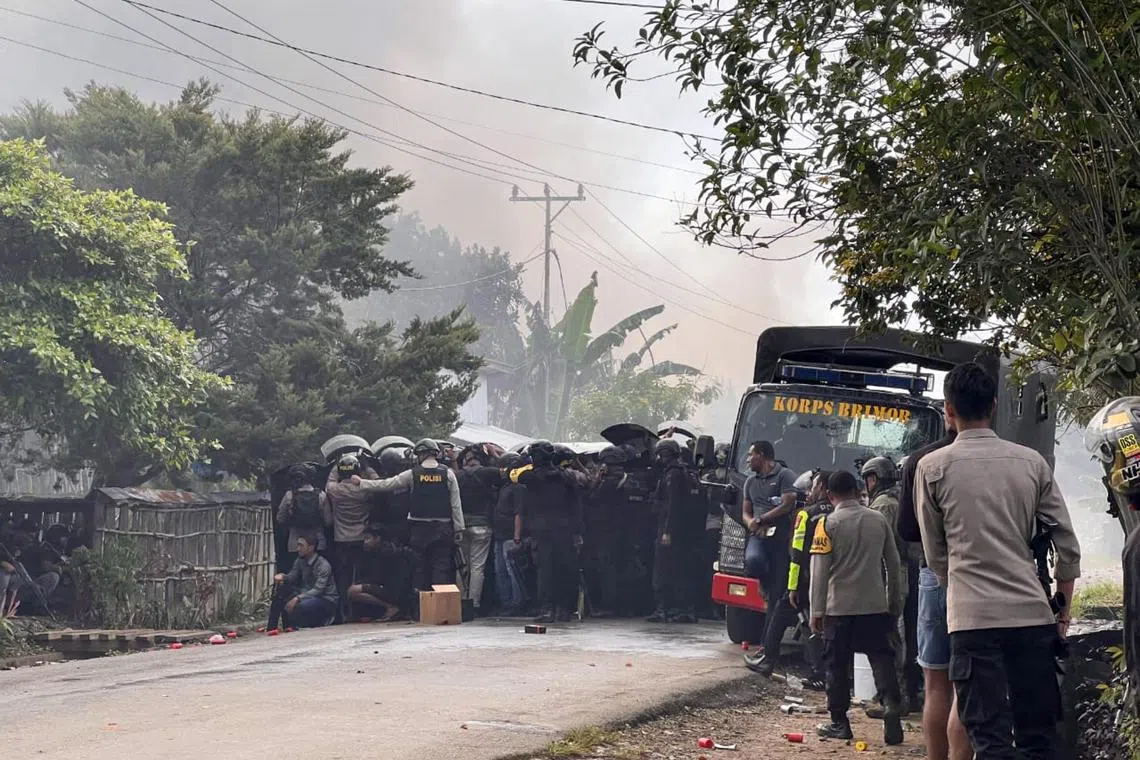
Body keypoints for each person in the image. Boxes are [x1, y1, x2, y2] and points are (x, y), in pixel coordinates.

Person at [915, 362, 1081, 760]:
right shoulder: (1032, 463)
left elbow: (936, 554)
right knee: (1038, 739)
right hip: (1032, 619)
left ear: (948, 410)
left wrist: (962, 589)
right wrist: (1061, 607)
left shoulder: (931, 468)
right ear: (993, 406)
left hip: (973, 624)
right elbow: (1067, 544)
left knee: (990, 742)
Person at [811, 470, 906, 745]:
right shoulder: (878, 520)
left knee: (836, 665)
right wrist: (893, 603)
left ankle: (840, 722)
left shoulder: (827, 524)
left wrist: (817, 611)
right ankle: (891, 705)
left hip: (838, 608)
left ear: (830, 495)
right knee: (881, 657)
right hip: (874, 606)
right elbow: (893, 564)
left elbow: (819, 573)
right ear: (856, 489)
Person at [897, 413, 968, 760]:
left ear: (948, 411)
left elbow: (907, 530)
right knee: (967, 686)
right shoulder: (1004, 458)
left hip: (934, 577)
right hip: (979, 579)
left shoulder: (921, 461)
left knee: (936, 683)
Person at [353, 439, 465, 598]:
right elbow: (456, 504)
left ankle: (420, 608)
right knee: (441, 568)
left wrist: (362, 483)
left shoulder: (413, 474)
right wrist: (459, 529)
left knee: (420, 569)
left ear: (421, 454)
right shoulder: (448, 473)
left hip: (419, 530)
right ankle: (440, 607)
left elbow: (387, 484)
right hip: (443, 529)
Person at [749, 468, 828, 685]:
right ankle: (822, 673)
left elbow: (797, 555)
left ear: (821, 487)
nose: (809, 492)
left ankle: (768, 659)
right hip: (832, 581)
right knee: (817, 625)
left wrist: (792, 587)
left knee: (780, 616)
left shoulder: (806, 515)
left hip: (805, 580)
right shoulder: (838, 512)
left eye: (813, 487)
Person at [861, 456, 914, 717]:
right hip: (902, 572)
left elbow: (879, 547)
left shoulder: (882, 506)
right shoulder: (899, 500)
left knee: (891, 636)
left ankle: (895, 698)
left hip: (889, 575)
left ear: (873, 479)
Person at [511, 440, 583, 624]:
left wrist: (524, 457)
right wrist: (577, 531)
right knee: (565, 568)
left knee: (545, 570)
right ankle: (564, 609)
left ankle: (547, 608)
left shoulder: (531, 477)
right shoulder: (566, 477)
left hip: (542, 529)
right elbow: (576, 505)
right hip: (564, 528)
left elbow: (513, 473)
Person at [647, 438, 701, 623]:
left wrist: (667, 531)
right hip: (683, 531)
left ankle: (664, 608)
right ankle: (680, 608)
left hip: (670, 529)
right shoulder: (685, 472)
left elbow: (673, 505)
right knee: (680, 569)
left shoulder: (673, 474)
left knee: (662, 569)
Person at [325, 453, 379, 621]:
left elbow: (330, 481)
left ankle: (345, 613)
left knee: (343, 577)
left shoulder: (334, 490)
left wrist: (336, 464)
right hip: (362, 538)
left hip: (341, 539)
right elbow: (378, 484)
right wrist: (367, 467)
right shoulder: (363, 489)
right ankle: (364, 612)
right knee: (363, 576)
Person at [456, 444, 504, 615]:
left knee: (463, 566)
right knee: (478, 567)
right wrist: (496, 455)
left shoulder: (457, 475)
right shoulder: (489, 472)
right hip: (482, 525)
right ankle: (474, 604)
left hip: (462, 525)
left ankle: (460, 602)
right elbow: (508, 470)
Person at [585, 445, 630, 618]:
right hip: (623, 529)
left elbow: (593, 497)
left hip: (607, 530)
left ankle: (609, 606)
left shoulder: (610, 481)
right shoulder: (628, 478)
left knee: (607, 569)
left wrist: (598, 478)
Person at [268, 533, 338, 630]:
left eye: (301, 545)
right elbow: (292, 577)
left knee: (301, 606)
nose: (298, 548)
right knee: (280, 591)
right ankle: (272, 627)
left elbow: (318, 590)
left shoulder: (323, 565)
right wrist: (283, 577)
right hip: (306, 594)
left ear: (311, 548)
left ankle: (303, 625)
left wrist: (297, 598)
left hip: (325, 599)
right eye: (298, 545)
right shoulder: (300, 561)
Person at [348, 525, 415, 622]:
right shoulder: (372, 552)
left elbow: (378, 577)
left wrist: (363, 584)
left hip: (393, 589)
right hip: (384, 586)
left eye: (368, 538)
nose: (364, 542)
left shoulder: (386, 553)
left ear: (377, 539)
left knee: (352, 591)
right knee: (356, 587)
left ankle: (391, 607)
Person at [492, 452, 528, 615]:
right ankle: (506, 603)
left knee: (511, 570)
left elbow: (518, 513)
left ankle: (517, 603)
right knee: (500, 570)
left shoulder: (519, 488)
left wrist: (517, 535)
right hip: (499, 534)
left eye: (503, 467)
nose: (500, 471)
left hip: (510, 535)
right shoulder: (504, 487)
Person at [277, 464, 332, 569]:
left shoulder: (289, 495)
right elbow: (328, 521)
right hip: (317, 543)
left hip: (295, 544)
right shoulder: (321, 495)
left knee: (296, 573)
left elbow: (280, 519)